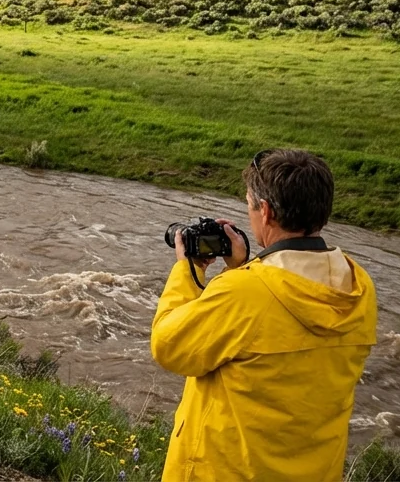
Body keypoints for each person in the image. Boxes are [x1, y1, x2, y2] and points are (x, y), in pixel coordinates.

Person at [151, 149, 378, 481]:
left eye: (249, 204)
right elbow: (280, 329)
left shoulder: (243, 293)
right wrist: (245, 266)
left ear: (267, 211)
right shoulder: (358, 285)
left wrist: (188, 270)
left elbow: (168, 345)